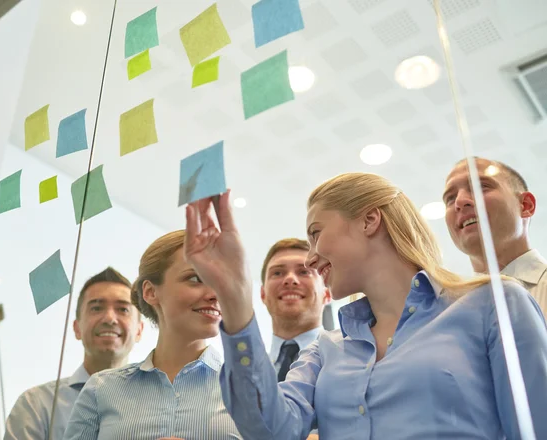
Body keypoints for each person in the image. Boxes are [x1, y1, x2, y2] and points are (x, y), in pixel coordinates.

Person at [183, 177, 547, 439]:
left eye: (315, 233)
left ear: (369, 220)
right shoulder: (325, 350)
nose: (311, 259)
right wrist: (234, 295)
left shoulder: (495, 304)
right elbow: (269, 430)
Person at [63, 230, 241, 440]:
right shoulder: (101, 389)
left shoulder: (250, 389)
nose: (214, 294)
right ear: (150, 292)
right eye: (195, 278)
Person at [4, 267, 144, 440]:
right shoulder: (37, 405)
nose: (109, 318)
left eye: (123, 309)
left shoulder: (159, 403)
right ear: (77, 328)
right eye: (96, 308)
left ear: (139, 330)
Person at [444, 157, 547, 315]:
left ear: (526, 205)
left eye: (481, 187)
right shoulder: (446, 312)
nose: (459, 201)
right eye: (450, 198)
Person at [260, 238, 330, 382]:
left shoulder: (350, 362)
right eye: (277, 273)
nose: (290, 279)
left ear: (327, 294)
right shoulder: (245, 376)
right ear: (263, 294)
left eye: (304, 272)